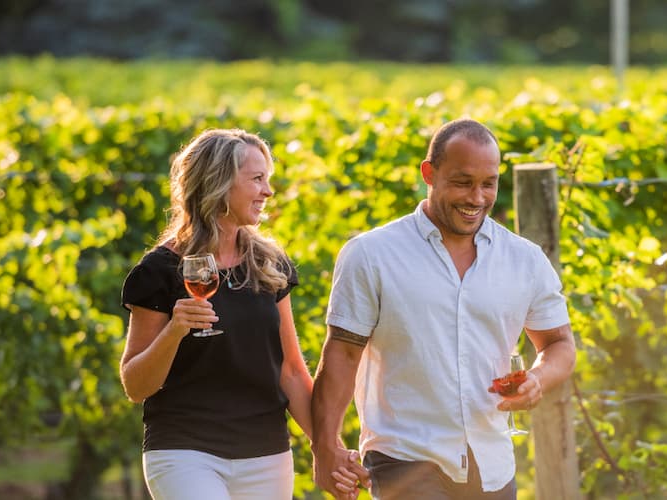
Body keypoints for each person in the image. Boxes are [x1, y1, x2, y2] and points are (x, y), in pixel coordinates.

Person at [311, 118, 577, 499]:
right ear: (429, 174)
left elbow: (559, 344)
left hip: (493, 463)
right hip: (404, 457)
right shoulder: (371, 254)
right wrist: (325, 446)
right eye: (462, 182)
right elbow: (342, 353)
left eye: (489, 183)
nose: (477, 197)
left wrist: (539, 378)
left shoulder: (525, 259)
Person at [119, 128, 361, 499]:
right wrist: (174, 331)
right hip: (185, 451)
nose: (268, 191)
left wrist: (328, 447)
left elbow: (292, 371)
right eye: (257, 179)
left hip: (265, 454)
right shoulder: (159, 271)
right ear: (220, 183)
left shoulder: (267, 264)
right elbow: (135, 385)